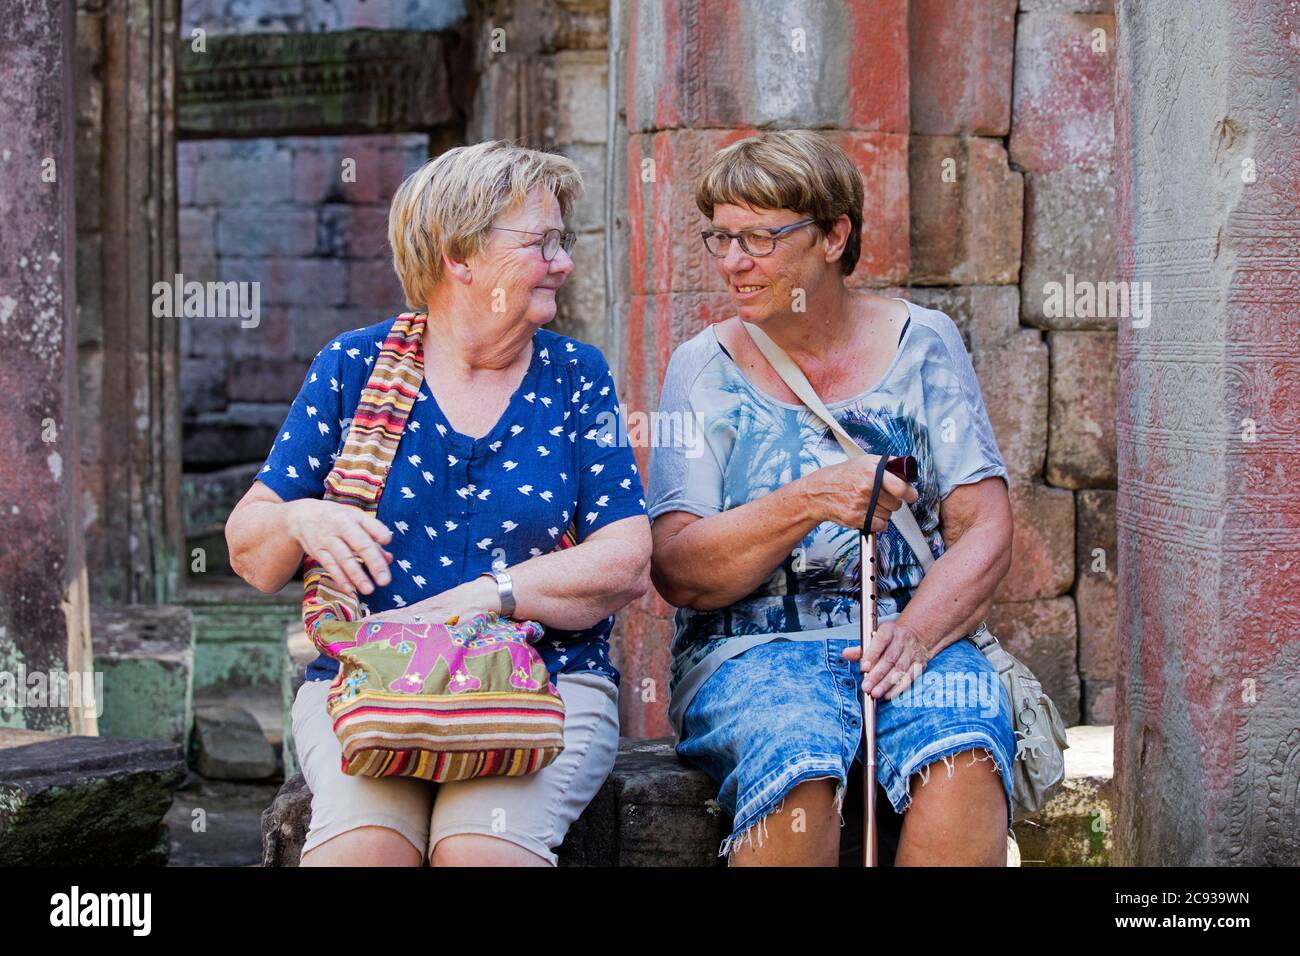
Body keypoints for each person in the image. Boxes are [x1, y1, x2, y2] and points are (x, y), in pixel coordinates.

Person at [225, 140, 652, 866]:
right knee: (360, 852)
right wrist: (301, 517)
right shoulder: (354, 367)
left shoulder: (576, 375)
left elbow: (625, 558)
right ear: (460, 257)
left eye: (562, 241)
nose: (564, 261)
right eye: (541, 242)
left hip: (540, 682)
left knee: (481, 851)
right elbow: (251, 552)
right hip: (372, 684)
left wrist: (487, 598)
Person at [646, 130, 1017, 866]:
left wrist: (915, 635)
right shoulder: (703, 368)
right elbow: (679, 570)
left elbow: (985, 526)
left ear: (834, 234)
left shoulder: (925, 342)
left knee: (964, 747)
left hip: (914, 632)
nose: (732, 262)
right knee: (799, 757)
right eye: (719, 237)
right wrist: (808, 499)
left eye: (758, 237)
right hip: (747, 648)